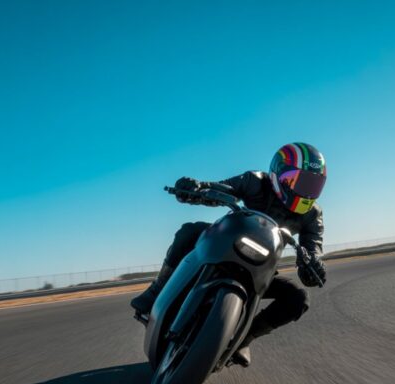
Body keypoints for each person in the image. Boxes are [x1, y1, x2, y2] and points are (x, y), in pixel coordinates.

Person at [131, 142, 327, 367]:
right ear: (279, 174)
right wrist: (197, 189)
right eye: (300, 181)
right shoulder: (256, 181)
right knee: (190, 231)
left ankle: (244, 338)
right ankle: (157, 289)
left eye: (313, 184)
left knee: (298, 298)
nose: (306, 190)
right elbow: (223, 188)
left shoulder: (312, 214)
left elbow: (313, 248)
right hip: (227, 243)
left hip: (262, 268)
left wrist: (313, 265)